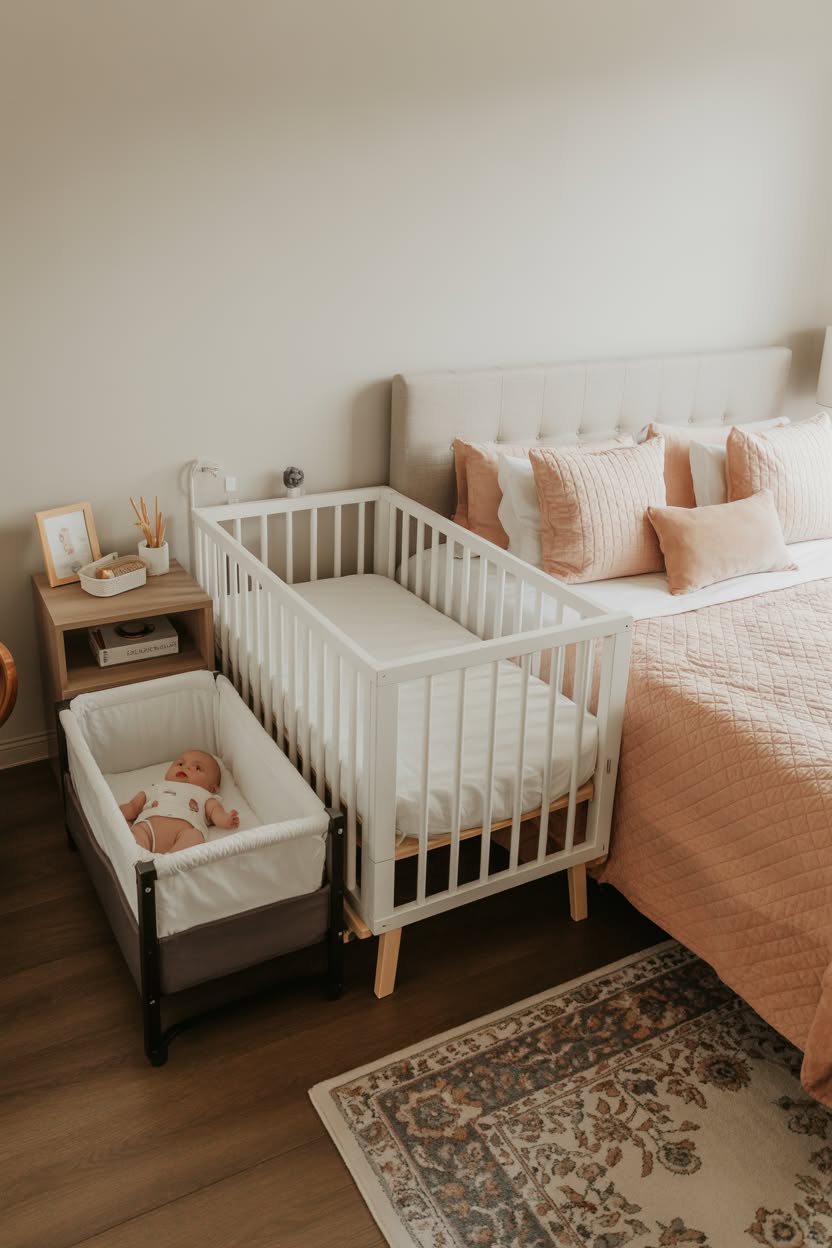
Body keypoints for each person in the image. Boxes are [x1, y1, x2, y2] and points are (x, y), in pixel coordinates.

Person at [119, 750, 239, 854]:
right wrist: (113, 813)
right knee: (136, 836)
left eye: (197, 768)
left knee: (195, 837)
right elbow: (133, 807)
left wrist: (225, 819)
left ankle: (171, 861)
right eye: (180, 763)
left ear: (212, 788)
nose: (185, 767)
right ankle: (140, 859)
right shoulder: (158, 787)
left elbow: (215, 811)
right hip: (148, 828)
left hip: (184, 831)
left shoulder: (204, 794)